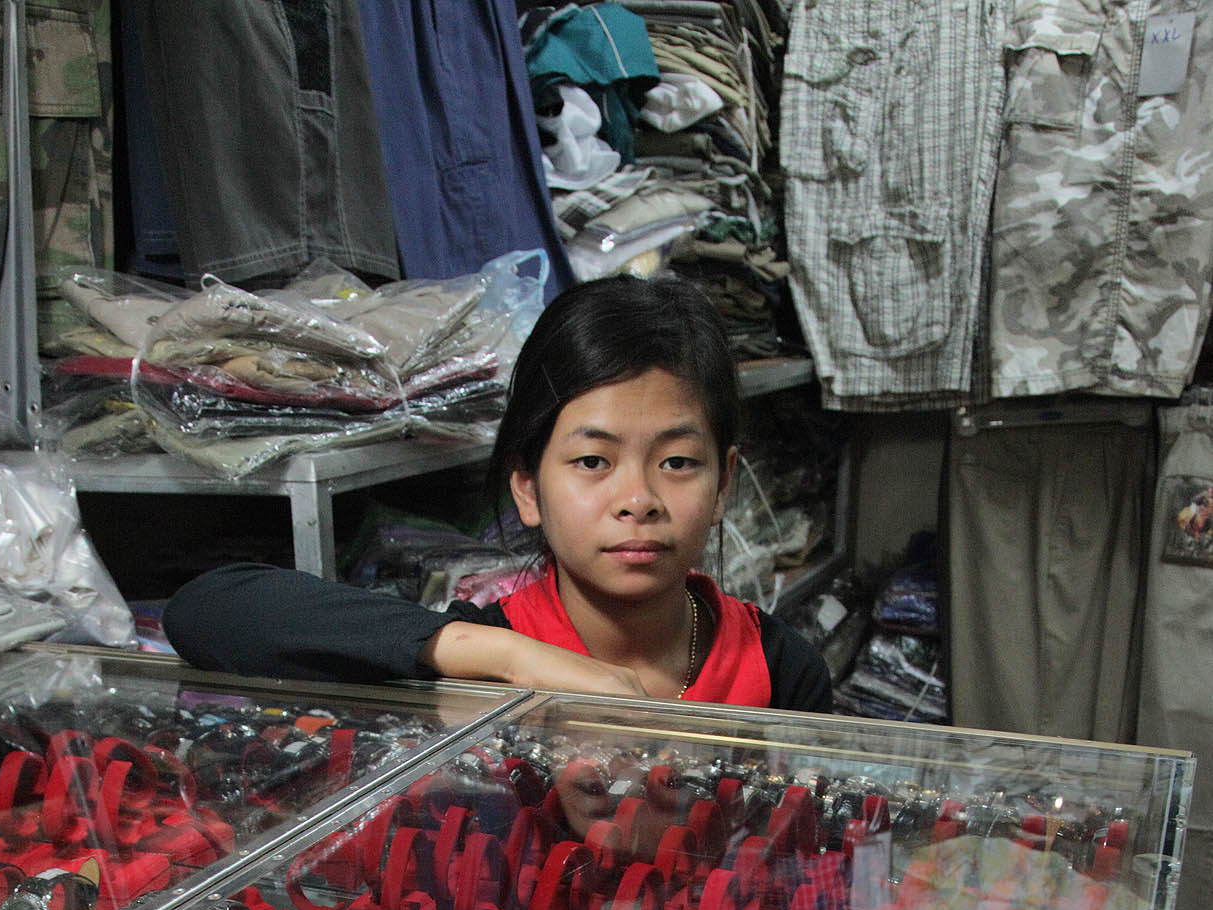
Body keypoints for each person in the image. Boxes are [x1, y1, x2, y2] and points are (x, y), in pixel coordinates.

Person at [162, 274, 832, 711]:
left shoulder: (779, 672)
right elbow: (204, 611)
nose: (638, 498)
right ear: (527, 488)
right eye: (593, 460)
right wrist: (514, 662)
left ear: (724, 486)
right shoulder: (483, 652)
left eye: (678, 461)